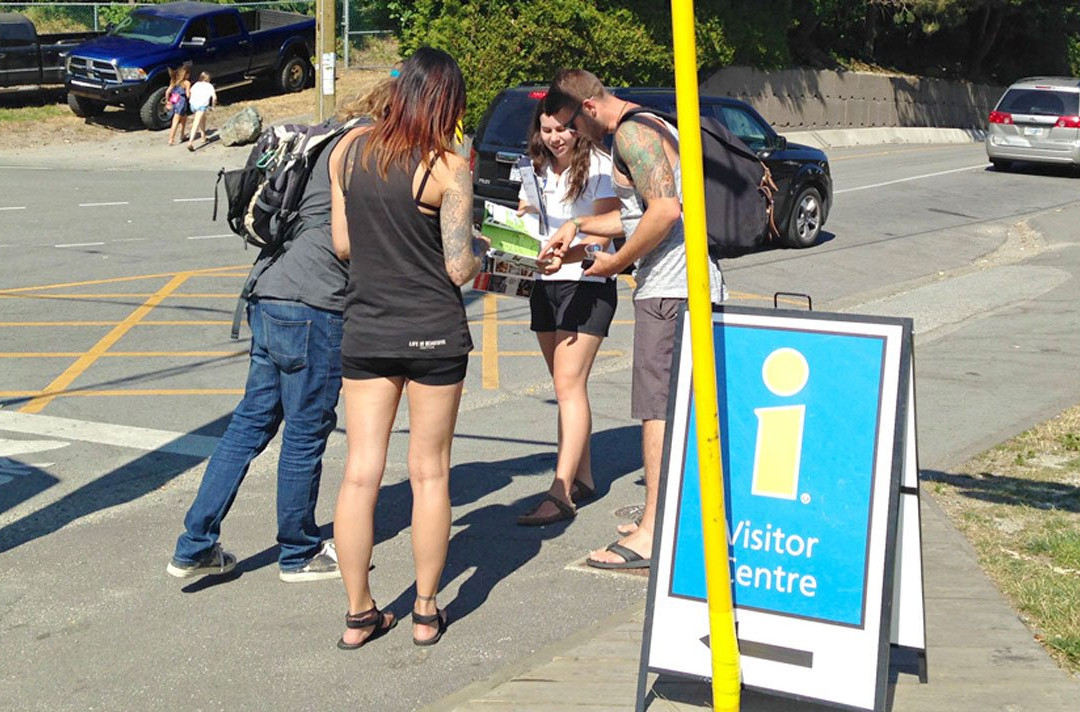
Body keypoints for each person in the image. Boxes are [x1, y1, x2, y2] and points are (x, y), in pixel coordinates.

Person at [165, 83, 392, 583]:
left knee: (249, 424)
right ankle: (298, 551)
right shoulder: (367, 147)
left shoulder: (327, 138)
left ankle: (194, 544)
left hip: (269, 289)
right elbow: (355, 238)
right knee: (306, 432)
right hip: (314, 302)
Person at [327, 47, 486, 650]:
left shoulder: (348, 152)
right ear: (447, 102)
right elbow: (459, 268)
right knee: (430, 472)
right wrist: (479, 246)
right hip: (433, 333)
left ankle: (358, 614)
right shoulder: (448, 168)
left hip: (367, 328)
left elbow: (344, 246)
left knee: (360, 473)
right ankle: (424, 610)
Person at [538, 69, 726, 569]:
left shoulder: (631, 134)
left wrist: (616, 263)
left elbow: (664, 211)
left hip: (671, 288)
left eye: (571, 124)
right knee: (673, 405)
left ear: (588, 108)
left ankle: (652, 532)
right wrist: (579, 227)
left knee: (656, 408)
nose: (572, 135)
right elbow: (637, 216)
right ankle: (665, 515)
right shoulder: (650, 124)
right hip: (679, 285)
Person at [514, 96, 622, 526]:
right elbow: (526, 215)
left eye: (562, 129)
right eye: (547, 130)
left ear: (578, 127)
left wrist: (569, 252)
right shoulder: (534, 167)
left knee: (568, 385)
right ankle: (583, 477)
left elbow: (606, 233)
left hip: (587, 283)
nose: (555, 138)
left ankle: (560, 492)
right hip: (544, 283)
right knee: (566, 388)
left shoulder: (599, 166)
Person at [187, 71, 217, 152]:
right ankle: (190, 142)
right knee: (196, 122)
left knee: (202, 119)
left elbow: (190, 93)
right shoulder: (209, 86)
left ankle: (203, 136)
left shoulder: (196, 84)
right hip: (201, 106)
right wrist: (213, 106)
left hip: (193, 105)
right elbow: (214, 98)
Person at [164, 65, 191, 147]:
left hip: (174, 100)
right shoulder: (187, 83)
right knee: (177, 120)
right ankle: (171, 139)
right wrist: (191, 94)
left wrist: (167, 100)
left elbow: (167, 92)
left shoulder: (174, 81)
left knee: (183, 118)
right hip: (182, 102)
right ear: (186, 74)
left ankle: (182, 135)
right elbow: (188, 95)